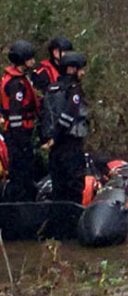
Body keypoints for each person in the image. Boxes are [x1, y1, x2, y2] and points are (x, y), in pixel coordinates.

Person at [40, 52, 90, 204]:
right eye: (80, 69)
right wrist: (56, 137)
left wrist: (49, 139)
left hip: (54, 147)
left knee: (59, 186)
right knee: (73, 184)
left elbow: (45, 116)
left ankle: (58, 221)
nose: (83, 73)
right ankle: (72, 221)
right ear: (71, 70)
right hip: (69, 144)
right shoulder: (74, 90)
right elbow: (68, 116)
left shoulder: (51, 88)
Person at [1, 40, 40, 202]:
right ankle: (19, 206)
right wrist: (20, 140)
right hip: (18, 135)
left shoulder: (17, 79)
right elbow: (15, 114)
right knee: (21, 172)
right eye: (30, 59)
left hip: (18, 133)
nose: (33, 62)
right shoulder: (16, 84)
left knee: (23, 172)